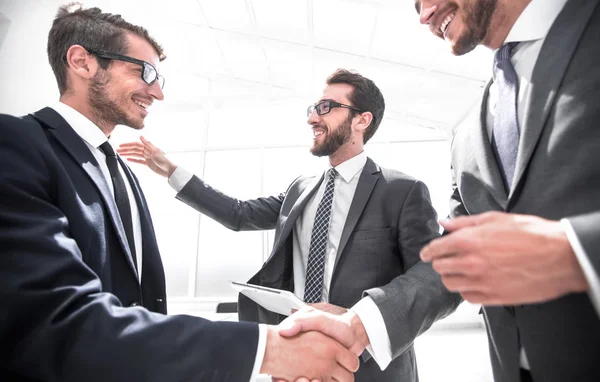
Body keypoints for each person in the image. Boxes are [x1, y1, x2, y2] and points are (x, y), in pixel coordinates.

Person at [0, 4, 361, 382]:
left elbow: (138, 309)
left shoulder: (122, 173)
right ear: (82, 62)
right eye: (146, 72)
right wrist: (267, 349)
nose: (157, 92)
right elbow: (53, 319)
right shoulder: (17, 144)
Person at [118, 68, 462, 382]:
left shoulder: (401, 191)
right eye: (313, 107)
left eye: (327, 107)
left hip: (369, 368)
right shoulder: (302, 188)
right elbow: (239, 214)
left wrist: (362, 318)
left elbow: (430, 279)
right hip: (298, 362)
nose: (313, 117)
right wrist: (172, 172)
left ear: (362, 120)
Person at [413, 0, 600, 381]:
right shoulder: (465, 135)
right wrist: (363, 324)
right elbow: (452, 253)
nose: (424, 14)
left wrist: (575, 253)